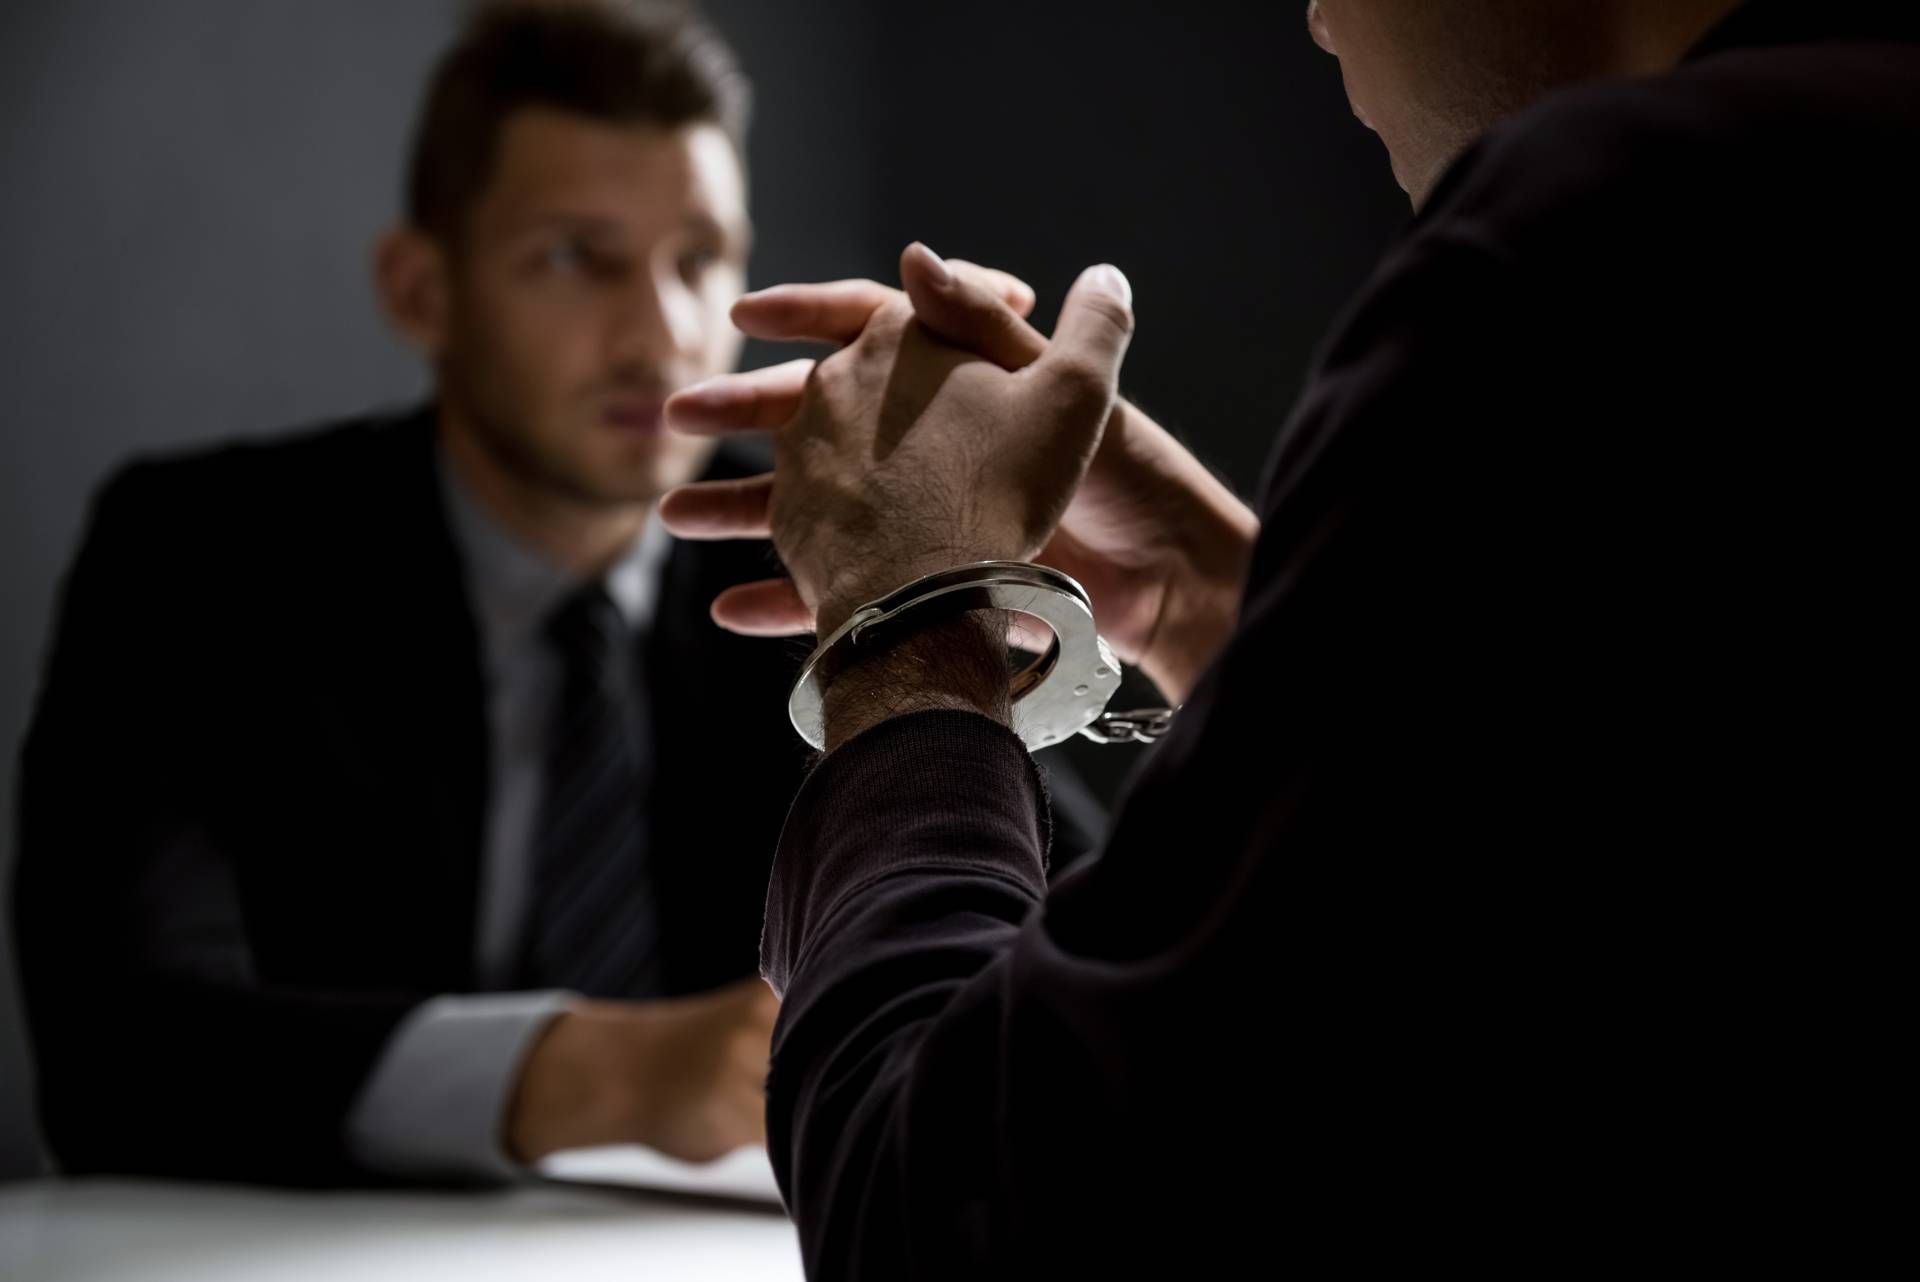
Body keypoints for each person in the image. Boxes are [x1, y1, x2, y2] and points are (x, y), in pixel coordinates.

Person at [658, 0, 1914, 1273]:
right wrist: (1213, 599)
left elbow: (940, 1218)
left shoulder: (1596, 228)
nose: (1313, 16)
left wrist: (906, 614)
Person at [11, 0, 1104, 1188]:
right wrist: (604, 1073)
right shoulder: (199, 560)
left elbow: (1111, 938)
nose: (662, 333)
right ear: (421, 290)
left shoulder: (831, 563)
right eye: (575, 257)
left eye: (699, 259)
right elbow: (109, 1052)